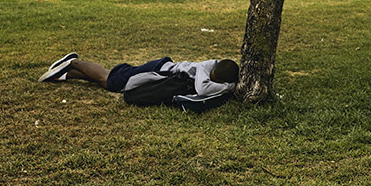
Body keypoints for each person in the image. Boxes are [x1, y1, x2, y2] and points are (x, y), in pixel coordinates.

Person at [37, 52, 239, 111]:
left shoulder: (216, 69)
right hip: (155, 70)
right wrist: (229, 86)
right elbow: (203, 89)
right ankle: (73, 61)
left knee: (111, 82)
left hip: (161, 68)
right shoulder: (205, 69)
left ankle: (67, 73)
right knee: (110, 80)